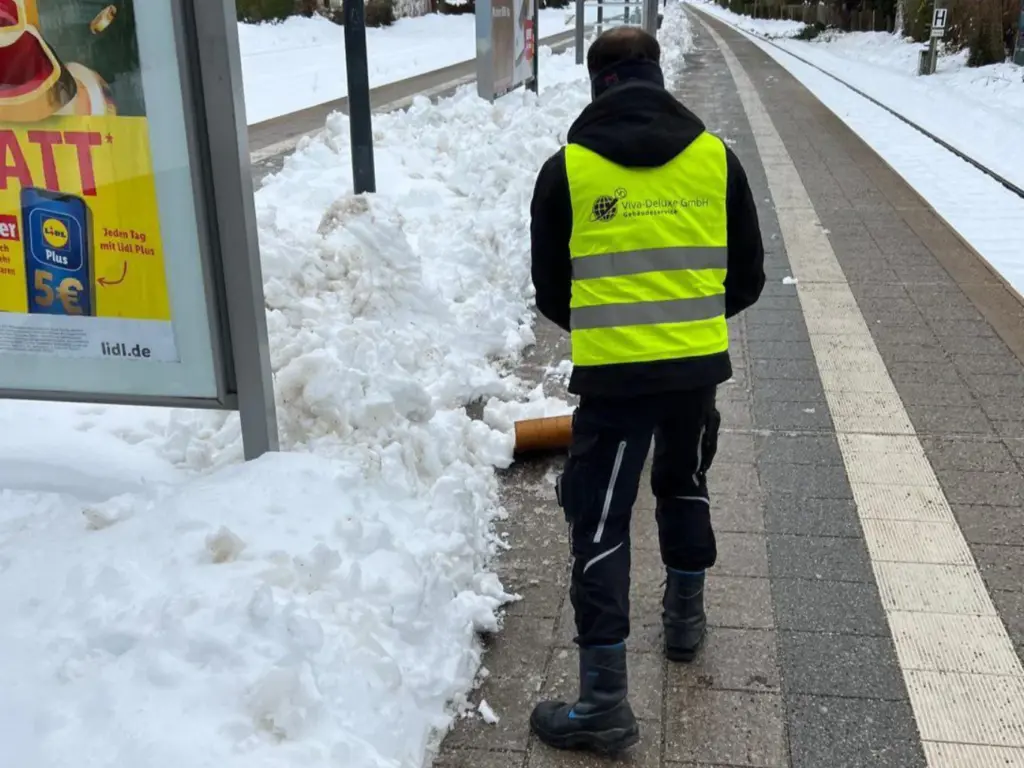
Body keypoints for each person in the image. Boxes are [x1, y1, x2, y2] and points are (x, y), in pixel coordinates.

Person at [527, 26, 765, 754]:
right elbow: (748, 278)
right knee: (684, 481)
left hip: (615, 380)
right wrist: (684, 318)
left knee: (600, 522)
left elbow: (551, 293)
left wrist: (614, 323)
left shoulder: (565, 171)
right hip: (695, 372)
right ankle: (686, 624)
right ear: (656, 75)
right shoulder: (715, 159)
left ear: (597, 83)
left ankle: (604, 702)